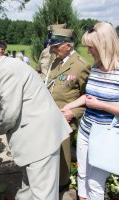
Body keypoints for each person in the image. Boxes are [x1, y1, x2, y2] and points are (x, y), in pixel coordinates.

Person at [0, 46, 72, 200]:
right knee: (28, 188)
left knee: (43, 193)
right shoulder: (10, 65)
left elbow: (8, 114)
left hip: (40, 140)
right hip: (35, 138)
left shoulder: (7, 70)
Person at [61, 22, 119, 200]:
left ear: (103, 45)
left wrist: (102, 106)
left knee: (94, 183)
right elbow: (88, 97)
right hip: (86, 131)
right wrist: (67, 107)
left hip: (105, 136)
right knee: (82, 176)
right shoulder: (95, 67)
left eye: (90, 47)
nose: (88, 51)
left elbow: (95, 103)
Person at [47, 28, 91, 192]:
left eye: (56, 46)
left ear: (67, 45)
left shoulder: (81, 66)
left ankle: (62, 186)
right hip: (49, 118)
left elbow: (89, 97)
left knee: (63, 159)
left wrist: (74, 113)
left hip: (65, 121)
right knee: (51, 156)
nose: (53, 49)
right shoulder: (56, 62)